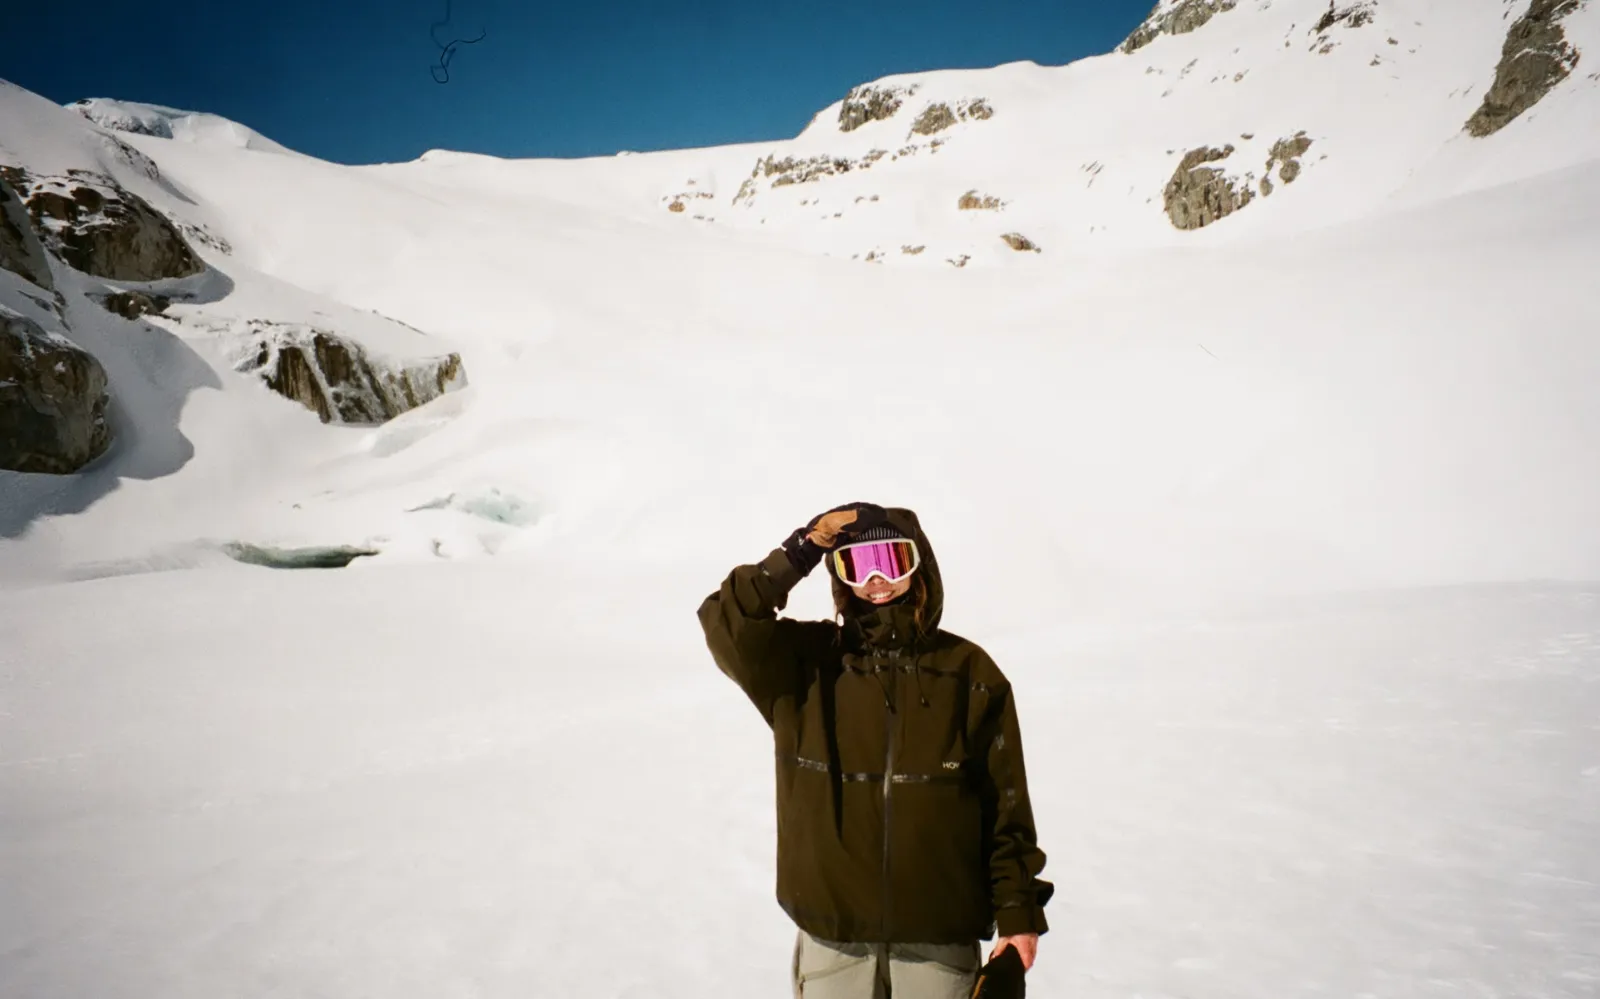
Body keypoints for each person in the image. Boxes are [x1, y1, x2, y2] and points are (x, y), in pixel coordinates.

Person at [698, 502, 1053, 998]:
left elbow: (1005, 810)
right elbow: (726, 621)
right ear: (840, 575)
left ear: (918, 565)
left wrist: (1018, 917)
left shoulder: (968, 673)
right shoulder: (806, 665)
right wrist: (800, 552)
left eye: (891, 559)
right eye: (858, 564)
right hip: (834, 943)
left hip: (939, 944)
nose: (877, 579)